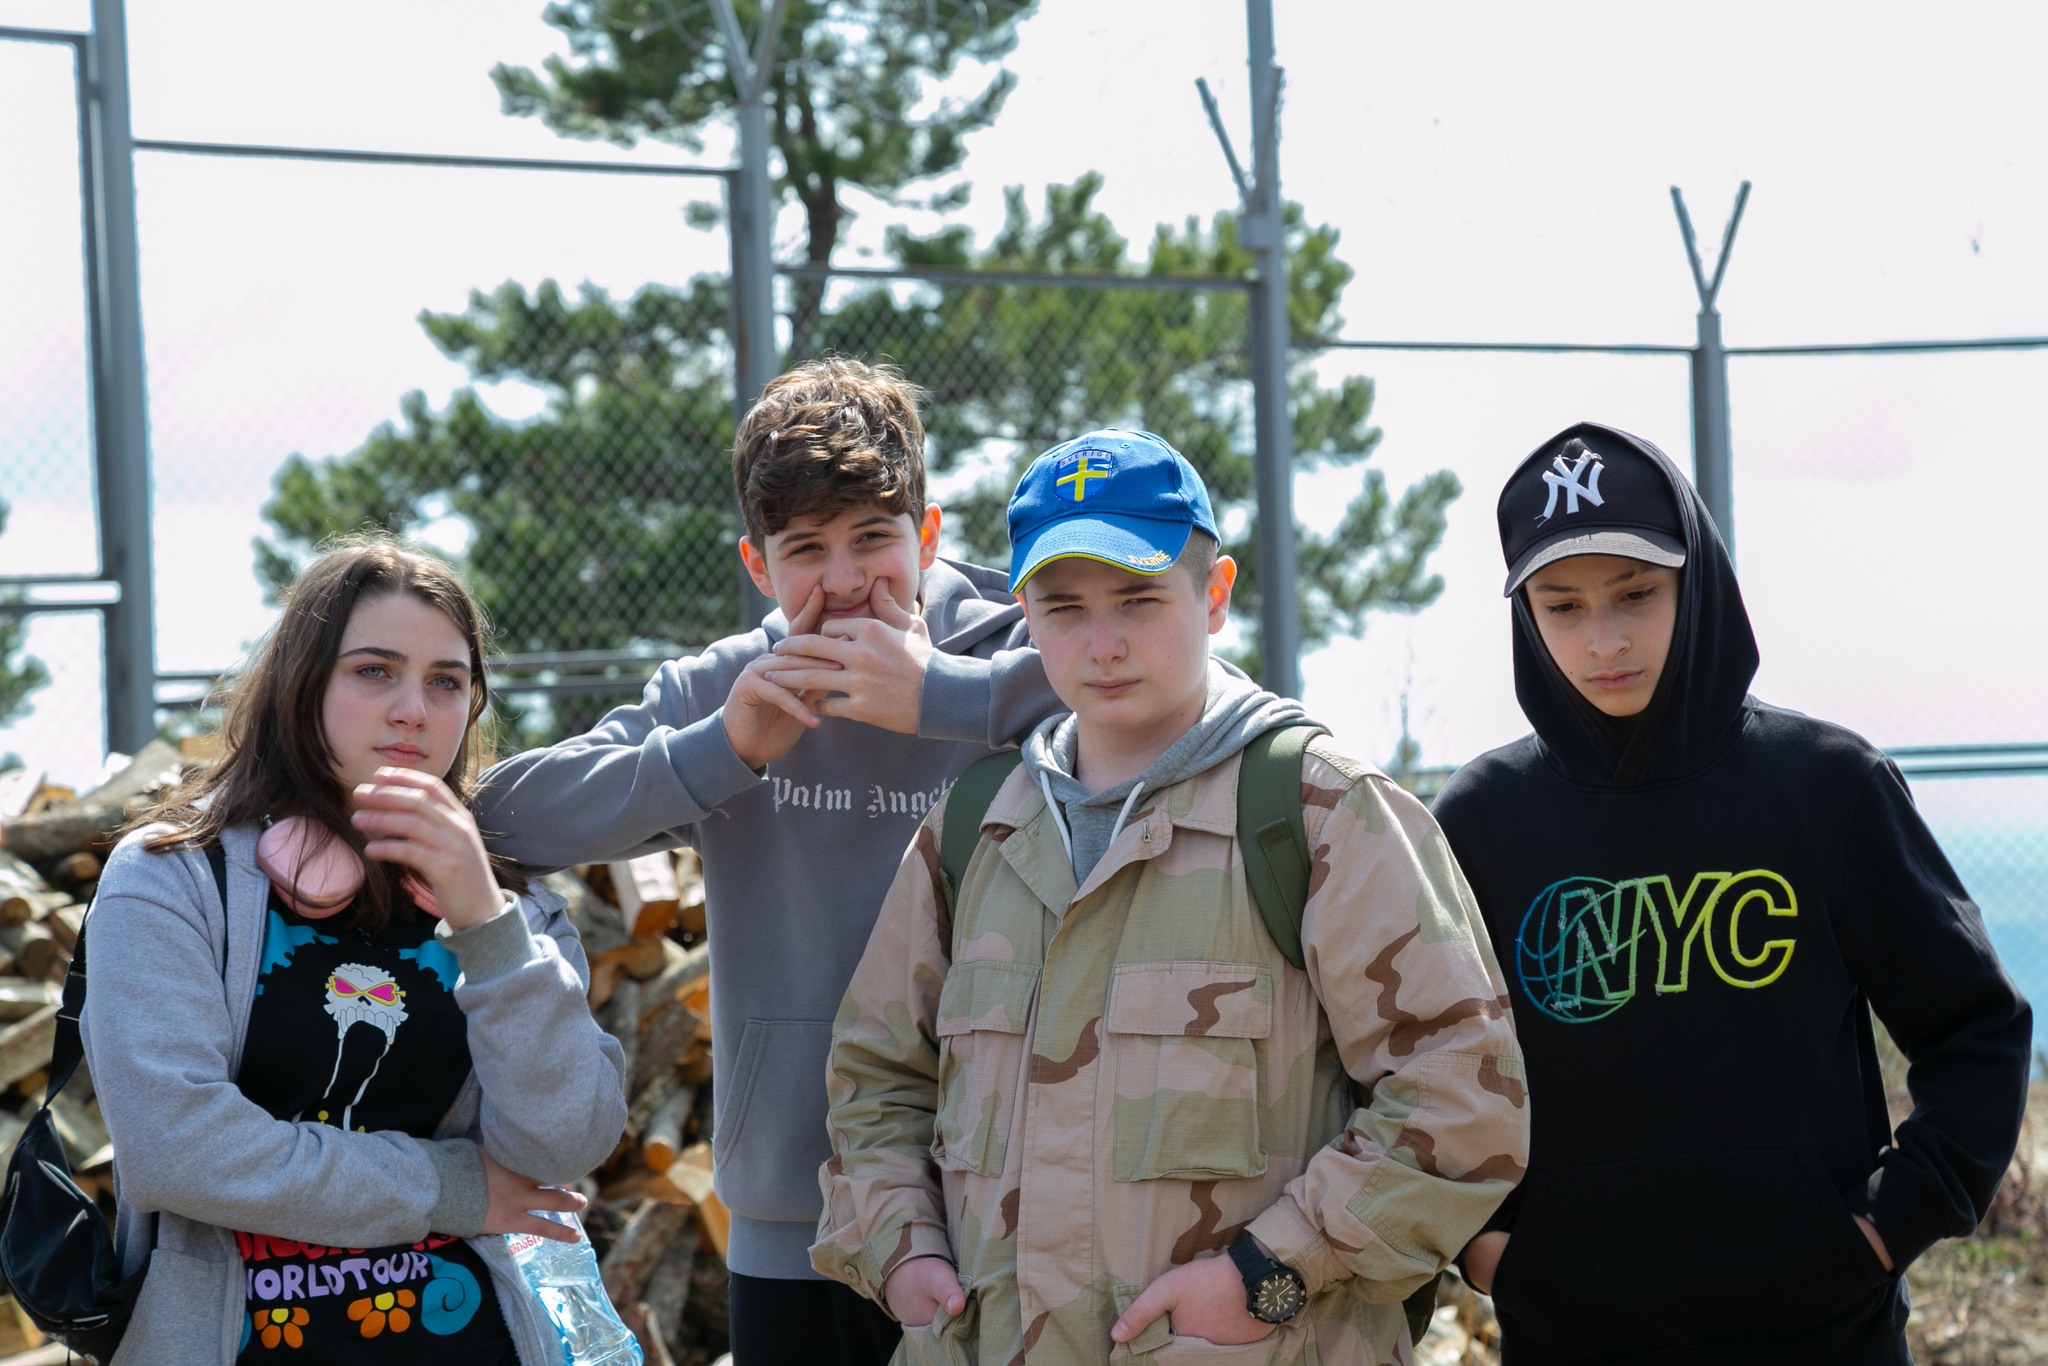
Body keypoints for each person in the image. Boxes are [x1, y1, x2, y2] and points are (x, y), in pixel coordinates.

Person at [811, 428, 1529, 1364]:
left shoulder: (1317, 815)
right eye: (1064, 608)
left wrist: (1269, 1274)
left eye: (1139, 600)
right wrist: (902, 1251)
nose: (1103, 645)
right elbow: (875, 1079)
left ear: (1216, 595)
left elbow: (1457, 1092)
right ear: (1024, 611)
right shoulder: (975, 829)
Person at [470, 358, 1057, 1366]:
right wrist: (724, 750)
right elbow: (504, 818)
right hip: (796, 1216)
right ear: (757, 565)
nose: (844, 579)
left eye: (873, 538)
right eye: (806, 550)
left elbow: (1183, 701)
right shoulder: (728, 686)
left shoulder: (1026, 649)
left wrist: (946, 698)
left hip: (1015, 1203)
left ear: (927, 535)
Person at [1435, 422, 2033, 1365]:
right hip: (1572, 1338)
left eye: (1637, 593)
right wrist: (1491, 1253)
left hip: (1824, 1337)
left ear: (1698, 580)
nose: (1604, 639)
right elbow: (1412, 1070)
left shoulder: (1828, 785)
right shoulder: (1480, 820)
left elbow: (1977, 1032)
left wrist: (1881, 1231)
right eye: (1563, 606)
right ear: (1525, 615)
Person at [82, 534, 629, 1366]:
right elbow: (176, 1148)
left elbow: (563, 1148)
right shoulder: (171, 879)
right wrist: (450, 1187)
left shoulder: (509, 906)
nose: (413, 709)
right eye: (374, 671)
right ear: (302, 686)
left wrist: (486, 922)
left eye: (446, 682)